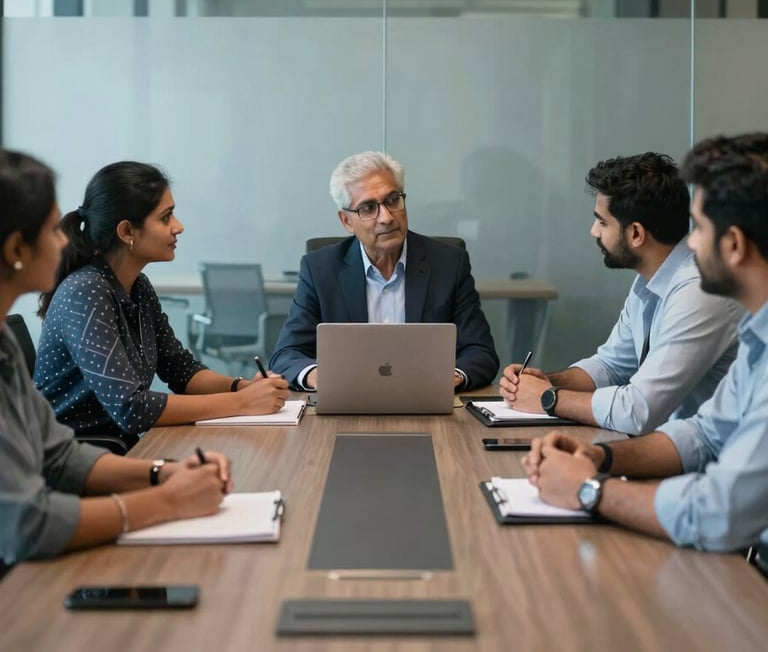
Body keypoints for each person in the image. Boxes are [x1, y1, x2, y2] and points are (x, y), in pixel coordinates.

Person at [524, 133, 768, 552]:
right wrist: (602, 459)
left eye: (701, 229)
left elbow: (717, 514)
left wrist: (590, 490)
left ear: (733, 246)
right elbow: (705, 434)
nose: (690, 243)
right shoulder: (756, 334)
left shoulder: (700, 293)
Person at [0, 149, 232, 565]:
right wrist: (165, 500)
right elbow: (25, 523)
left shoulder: (3, 342)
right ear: (17, 247)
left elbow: (58, 455)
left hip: (99, 464)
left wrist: (162, 473)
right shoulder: (83, 289)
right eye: (53, 229)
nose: (64, 238)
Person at [35, 161, 288, 446]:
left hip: (118, 448)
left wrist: (242, 387)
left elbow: (182, 371)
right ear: (127, 231)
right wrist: (240, 402)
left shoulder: (138, 286)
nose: (178, 227)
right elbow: (132, 409)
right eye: (166, 217)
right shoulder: (86, 292)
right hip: (76, 458)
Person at [500, 152, 740, 434]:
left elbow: (638, 410)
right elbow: (611, 365)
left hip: (709, 463)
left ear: (636, 234)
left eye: (602, 222)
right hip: (668, 449)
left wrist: (547, 398)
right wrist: (547, 381)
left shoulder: (700, 291)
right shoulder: (650, 280)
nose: (593, 232)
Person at [269, 150, 499, 390]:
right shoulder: (320, 270)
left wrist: (452, 377)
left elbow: (480, 351)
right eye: (368, 208)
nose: (387, 217)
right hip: (347, 404)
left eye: (392, 200)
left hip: (429, 405)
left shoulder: (449, 264)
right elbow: (287, 353)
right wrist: (318, 377)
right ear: (347, 221)